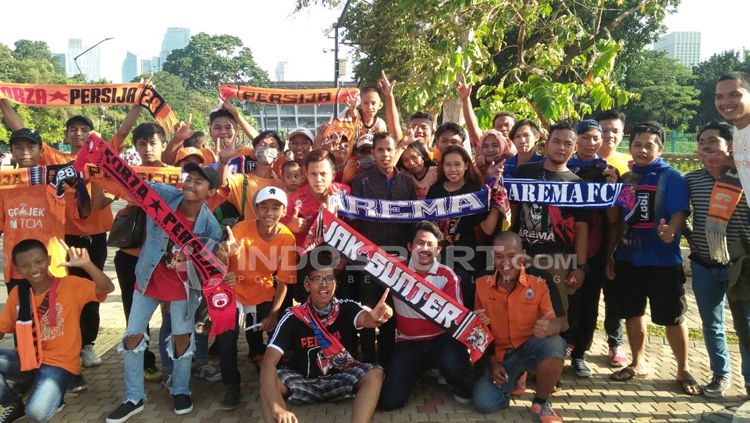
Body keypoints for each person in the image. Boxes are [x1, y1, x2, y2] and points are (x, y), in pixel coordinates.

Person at [106, 164, 223, 422]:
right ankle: (133, 397)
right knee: (132, 337)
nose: (190, 184)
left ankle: (181, 390)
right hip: (147, 280)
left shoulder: (210, 226)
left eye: (198, 182)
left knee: (182, 339)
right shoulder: (163, 195)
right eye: (188, 178)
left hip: (183, 288)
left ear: (210, 191)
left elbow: (213, 266)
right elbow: (131, 184)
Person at [605, 122, 699, 395]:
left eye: (650, 145)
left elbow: (680, 212)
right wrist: (611, 254)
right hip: (628, 258)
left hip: (663, 261)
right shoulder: (625, 178)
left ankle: (682, 369)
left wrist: (672, 230)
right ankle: (637, 362)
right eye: (638, 144)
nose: (643, 150)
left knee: (673, 318)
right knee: (633, 314)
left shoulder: (672, 177)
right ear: (630, 146)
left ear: (659, 148)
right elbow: (617, 221)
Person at [260, 249, 390, 423]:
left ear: (335, 283)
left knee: (375, 373)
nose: (324, 284)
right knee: (268, 381)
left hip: (341, 379)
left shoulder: (346, 307)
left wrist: (376, 317)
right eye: (317, 279)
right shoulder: (292, 316)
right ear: (307, 285)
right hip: (304, 381)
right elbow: (268, 363)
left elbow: (366, 319)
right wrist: (277, 407)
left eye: (329, 278)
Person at [0, 239, 114, 423]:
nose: (34, 269)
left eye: (39, 262)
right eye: (26, 265)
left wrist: (87, 265)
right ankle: (13, 403)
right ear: (18, 269)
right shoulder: (18, 293)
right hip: (28, 360)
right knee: (29, 406)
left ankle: (55, 393)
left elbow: (107, 288)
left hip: (60, 364)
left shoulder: (69, 285)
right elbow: (2, 327)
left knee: (35, 413)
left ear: (49, 259)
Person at [215, 186, 298, 411]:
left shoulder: (286, 237)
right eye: (264, 207)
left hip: (262, 293)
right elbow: (219, 260)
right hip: (233, 292)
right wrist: (225, 251)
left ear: (283, 211)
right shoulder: (240, 228)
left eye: (275, 207)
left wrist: (274, 313)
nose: (269, 212)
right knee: (226, 337)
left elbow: (283, 281)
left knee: (276, 332)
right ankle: (231, 384)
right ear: (256, 209)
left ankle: (276, 380)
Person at [685, 122, 750, 398]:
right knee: (712, 324)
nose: (707, 146)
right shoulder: (691, 180)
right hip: (704, 264)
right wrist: (688, 235)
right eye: (702, 142)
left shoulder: (743, 177)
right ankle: (720, 374)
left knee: (745, 324)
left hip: (742, 266)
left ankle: (749, 379)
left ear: (729, 146)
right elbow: (681, 213)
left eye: (713, 140)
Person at [472, 232, 565, 422]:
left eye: (512, 256)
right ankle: (512, 379)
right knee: (484, 403)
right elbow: (478, 333)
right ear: (492, 256)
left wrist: (549, 328)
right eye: (499, 256)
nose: (506, 262)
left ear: (523, 256)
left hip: (531, 348)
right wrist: (492, 363)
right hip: (500, 356)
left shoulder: (541, 279)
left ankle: (541, 402)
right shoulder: (481, 281)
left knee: (555, 344)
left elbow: (562, 322)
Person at [378, 221, 472, 410]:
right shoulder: (395, 271)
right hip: (408, 342)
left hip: (441, 340)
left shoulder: (447, 276)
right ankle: (417, 370)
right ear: (409, 246)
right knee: (389, 402)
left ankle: (448, 374)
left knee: (465, 389)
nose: (425, 249)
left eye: (431, 245)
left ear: (438, 250)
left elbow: (457, 320)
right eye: (420, 243)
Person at [511, 122, 591, 337]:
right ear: (546, 145)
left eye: (568, 143)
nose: (561, 147)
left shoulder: (578, 185)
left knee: (554, 316)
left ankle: (549, 360)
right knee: (518, 311)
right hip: (522, 256)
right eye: (556, 141)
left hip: (557, 260)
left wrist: (580, 267)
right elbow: (512, 213)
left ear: (574, 149)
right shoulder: (524, 173)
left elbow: (582, 228)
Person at [351, 132, 417, 365]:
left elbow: (413, 219)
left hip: (399, 255)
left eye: (390, 149)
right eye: (380, 150)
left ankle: (387, 359)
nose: (386, 154)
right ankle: (368, 359)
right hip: (369, 256)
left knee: (390, 308)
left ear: (396, 151)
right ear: (374, 153)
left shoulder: (407, 181)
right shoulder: (362, 181)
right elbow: (354, 219)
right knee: (369, 306)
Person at [564, 119, 622, 377]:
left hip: (595, 246)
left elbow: (613, 219)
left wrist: (611, 189)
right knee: (563, 301)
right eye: (584, 137)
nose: (590, 143)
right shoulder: (562, 168)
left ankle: (579, 354)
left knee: (589, 301)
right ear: (576, 140)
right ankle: (561, 347)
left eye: (595, 138)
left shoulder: (607, 171)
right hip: (563, 244)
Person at [426, 145, 505, 309]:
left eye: (457, 164)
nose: (452, 169)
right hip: (439, 256)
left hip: (468, 258)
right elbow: (428, 226)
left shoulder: (475, 191)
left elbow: (488, 229)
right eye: (448, 165)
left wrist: (497, 205)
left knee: (465, 303)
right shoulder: (435, 191)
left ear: (466, 165)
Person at [284, 149, 350, 247]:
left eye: (323, 174)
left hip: (339, 253)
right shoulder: (294, 200)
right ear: (306, 174)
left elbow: (355, 227)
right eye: (313, 174)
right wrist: (289, 226)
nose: (318, 180)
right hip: (306, 257)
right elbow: (279, 231)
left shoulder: (345, 192)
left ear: (333, 175)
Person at [704, 72, 750, 206]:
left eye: (734, 95)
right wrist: (726, 161)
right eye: (719, 97)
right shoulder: (738, 129)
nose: (725, 102)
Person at [595, 110, 631, 175]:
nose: (610, 135)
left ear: (622, 135)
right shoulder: (583, 161)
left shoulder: (631, 163)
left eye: (615, 131)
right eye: (604, 131)